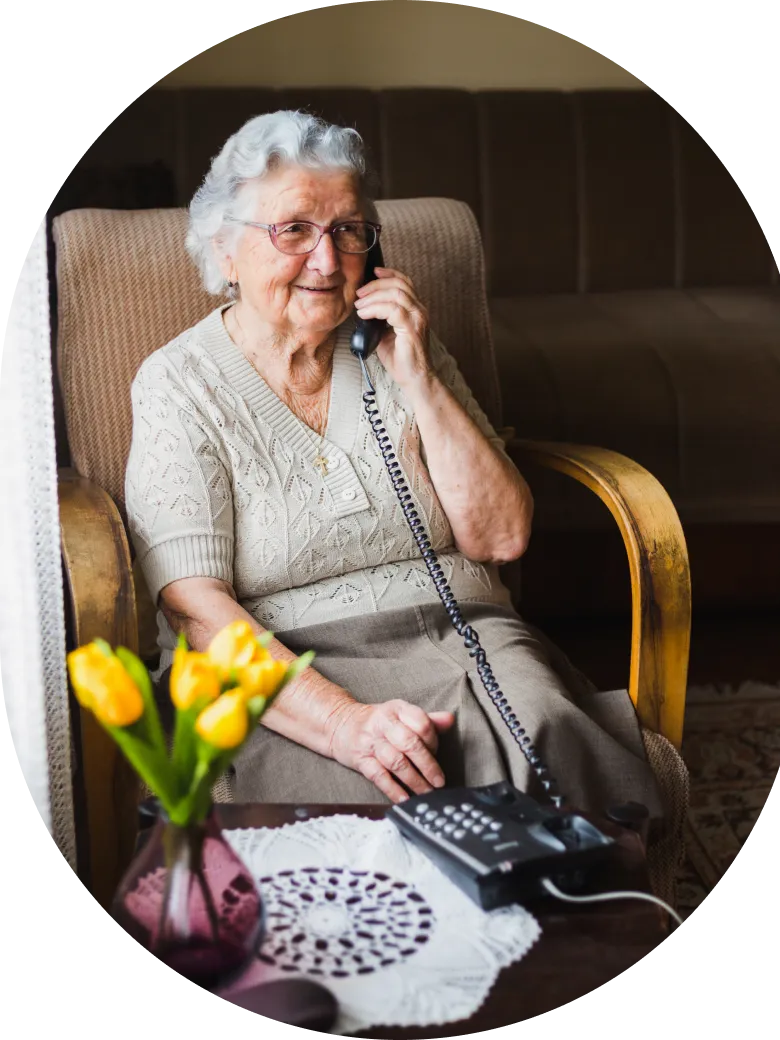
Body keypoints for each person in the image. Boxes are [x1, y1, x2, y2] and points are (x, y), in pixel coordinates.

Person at [124, 110, 664, 819]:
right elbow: (196, 613)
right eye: (294, 230)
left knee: (545, 735)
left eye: (348, 231)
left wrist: (419, 379)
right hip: (286, 672)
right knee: (380, 811)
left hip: (459, 635)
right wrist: (347, 724)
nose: (327, 260)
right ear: (226, 251)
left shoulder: (399, 346)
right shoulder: (180, 383)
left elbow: (500, 539)